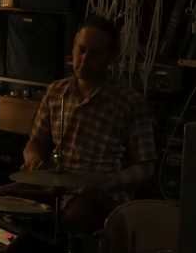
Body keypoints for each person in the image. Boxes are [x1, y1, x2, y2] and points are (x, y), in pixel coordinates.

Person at [23, 15, 157, 233]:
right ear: (73, 48)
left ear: (111, 57)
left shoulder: (130, 103)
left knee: (73, 218)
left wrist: (108, 181)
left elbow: (146, 166)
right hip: (56, 189)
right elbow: (36, 142)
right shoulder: (56, 92)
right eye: (81, 50)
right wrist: (33, 158)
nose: (84, 60)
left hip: (102, 197)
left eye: (95, 54)